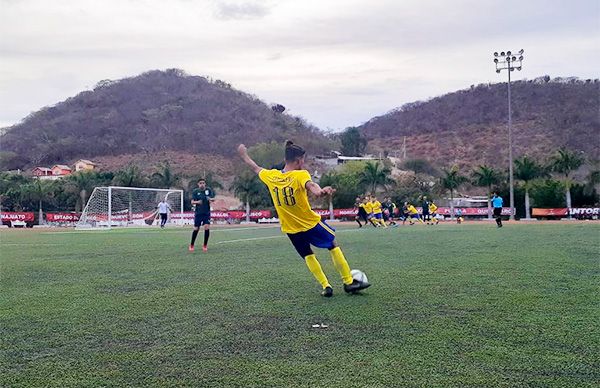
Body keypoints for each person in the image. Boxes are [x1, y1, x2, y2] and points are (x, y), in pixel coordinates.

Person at [237, 141, 371, 297]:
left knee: (307, 254)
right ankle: (348, 282)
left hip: (290, 228)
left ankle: (326, 286)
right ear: (298, 160)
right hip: (310, 223)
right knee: (333, 244)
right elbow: (313, 187)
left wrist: (243, 154)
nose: (303, 163)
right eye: (303, 160)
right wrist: (322, 192)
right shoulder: (301, 175)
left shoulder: (271, 175)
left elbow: (255, 167)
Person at [189, 178, 215, 252]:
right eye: (200, 183)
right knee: (196, 229)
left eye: (203, 183)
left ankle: (205, 245)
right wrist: (197, 202)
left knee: (206, 227)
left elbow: (213, 199)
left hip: (206, 212)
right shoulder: (195, 191)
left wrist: (211, 199)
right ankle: (191, 245)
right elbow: (192, 202)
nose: (202, 184)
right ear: (198, 184)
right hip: (198, 213)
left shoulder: (208, 190)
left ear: (205, 184)